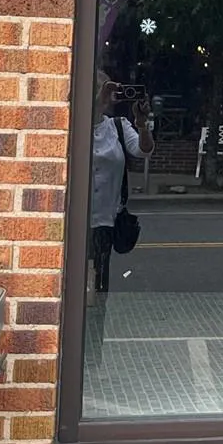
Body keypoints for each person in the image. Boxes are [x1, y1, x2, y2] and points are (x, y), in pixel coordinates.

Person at [89, 75, 143, 293]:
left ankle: (94, 324)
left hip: (105, 220)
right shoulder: (75, 124)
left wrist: (143, 123)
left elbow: (143, 150)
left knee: (99, 283)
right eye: (106, 91)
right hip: (77, 220)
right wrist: (98, 99)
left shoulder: (118, 126)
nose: (111, 97)